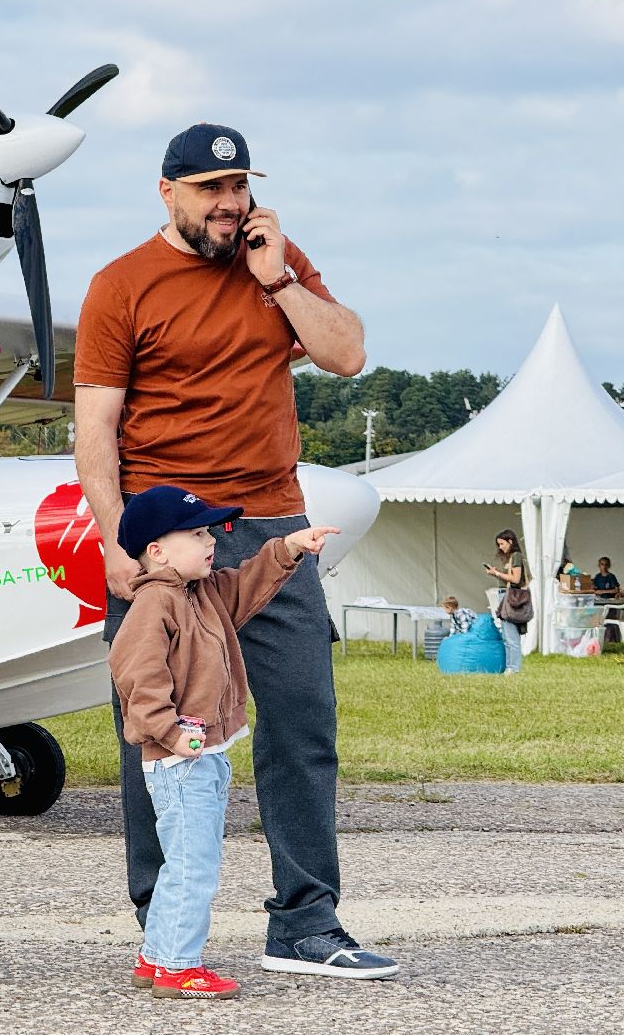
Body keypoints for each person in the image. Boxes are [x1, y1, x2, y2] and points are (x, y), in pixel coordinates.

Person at [75, 122, 397, 980]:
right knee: (158, 733)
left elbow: (349, 354)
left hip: (271, 526)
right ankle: (162, 929)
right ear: (167, 191)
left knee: (300, 721)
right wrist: (117, 540)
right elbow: (96, 428)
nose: (229, 204)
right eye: (210, 190)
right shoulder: (121, 285)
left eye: (239, 186)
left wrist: (280, 277)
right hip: (168, 538)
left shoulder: (278, 262)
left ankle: (305, 924)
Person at [110, 486, 351, 999]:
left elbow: (249, 583)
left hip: (203, 756)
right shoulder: (154, 603)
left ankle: (155, 957)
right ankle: (179, 966)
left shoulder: (203, 593)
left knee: (185, 861)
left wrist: (289, 547)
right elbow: (135, 674)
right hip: (180, 760)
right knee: (193, 867)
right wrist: (171, 733)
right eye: (196, 534)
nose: (211, 541)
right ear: (157, 550)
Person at [485, 529, 529, 673]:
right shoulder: (511, 558)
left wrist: (497, 573)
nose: (500, 547)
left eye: (502, 543)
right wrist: (497, 574)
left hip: (510, 597)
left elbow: (516, 579)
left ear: (510, 541)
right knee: (507, 635)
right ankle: (510, 667)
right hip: (506, 595)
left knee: (511, 636)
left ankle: (513, 668)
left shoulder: (516, 556)